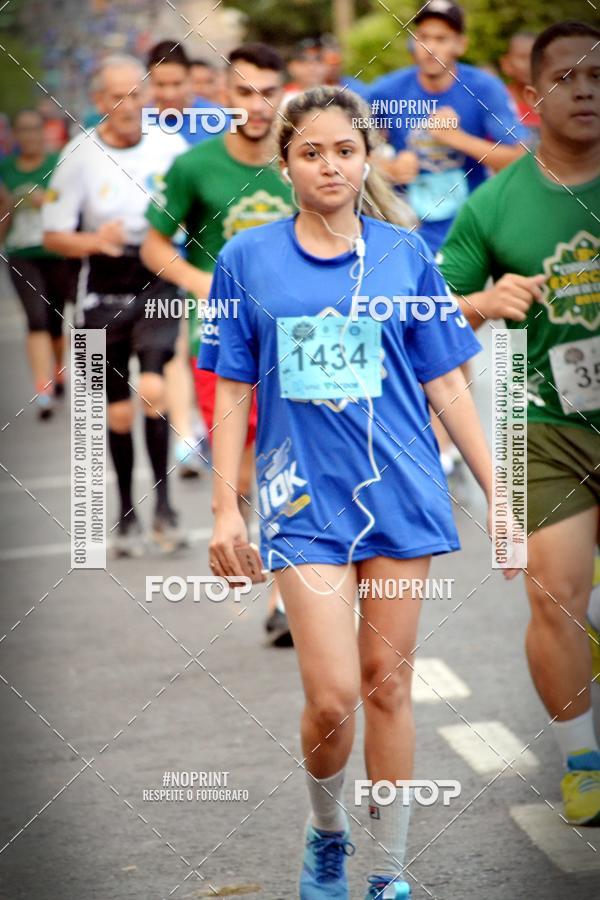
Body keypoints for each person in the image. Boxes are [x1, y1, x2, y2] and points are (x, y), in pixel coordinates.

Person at [200, 85, 517, 899]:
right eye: (311, 152)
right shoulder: (247, 261)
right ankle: (327, 830)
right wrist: (224, 505)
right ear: (285, 166)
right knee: (334, 698)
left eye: (344, 149)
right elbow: (233, 388)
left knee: (387, 682)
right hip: (302, 500)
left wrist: (501, 501)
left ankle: (388, 873)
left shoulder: (405, 255)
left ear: (366, 156)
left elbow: (448, 385)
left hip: (403, 494)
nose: (330, 164)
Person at [439, 20, 600, 825]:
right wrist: (480, 301)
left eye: (599, 75)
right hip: (547, 425)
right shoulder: (496, 203)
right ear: (532, 98)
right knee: (557, 598)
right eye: (567, 77)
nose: (586, 89)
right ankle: (582, 762)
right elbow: (431, 321)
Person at [140, 42, 295, 644]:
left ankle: (283, 598)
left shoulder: (300, 162)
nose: (256, 106)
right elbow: (155, 246)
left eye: (267, 92)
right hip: (224, 341)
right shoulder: (195, 167)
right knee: (247, 468)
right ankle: (254, 546)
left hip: (298, 342)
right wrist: (205, 282)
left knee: (291, 459)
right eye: (243, 92)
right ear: (223, 97)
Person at [43, 55, 189, 555]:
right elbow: (53, 235)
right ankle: (127, 510)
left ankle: (165, 510)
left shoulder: (171, 146)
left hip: (158, 275)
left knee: (153, 387)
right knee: (120, 412)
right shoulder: (79, 155)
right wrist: (91, 241)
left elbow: (198, 207)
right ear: (101, 103)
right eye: (118, 97)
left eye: (137, 93)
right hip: (100, 285)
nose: (130, 105)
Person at [368, 0, 527, 254]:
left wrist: (457, 138)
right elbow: (349, 151)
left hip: (470, 228)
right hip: (406, 230)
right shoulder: (386, 91)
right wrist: (387, 168)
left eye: (441, 39)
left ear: (460, 45)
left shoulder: (485, 88)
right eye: (423, 37)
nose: (430, 48)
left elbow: (521, 161)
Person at [147, 39, 220, 477]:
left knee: (207, 342)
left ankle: (214, 423)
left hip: (207, 252)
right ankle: (186, 433)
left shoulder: (213, 121)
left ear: (191, 78)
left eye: (176, 82)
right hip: (161, 252)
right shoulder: (137, 123)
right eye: (160, 84)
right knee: (175, 343)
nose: (169, 92)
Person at [0, 108, 79, 418]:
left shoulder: (56, 164)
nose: (30, 136)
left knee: (56, 320)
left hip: (56, 251)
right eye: (24, 131)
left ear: (43, 133)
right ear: (15, 136)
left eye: (35, 130)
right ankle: (43, 387)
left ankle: (58, 370)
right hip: (22, 254)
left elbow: (72, 203)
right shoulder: (6, 170)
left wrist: (47, 200)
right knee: (35, 320)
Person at [500, 32, 541, 145]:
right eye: (523, 57)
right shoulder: (495, 102)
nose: (530, 64)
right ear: (506, 64)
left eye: (536, 58)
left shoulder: (557, 105)